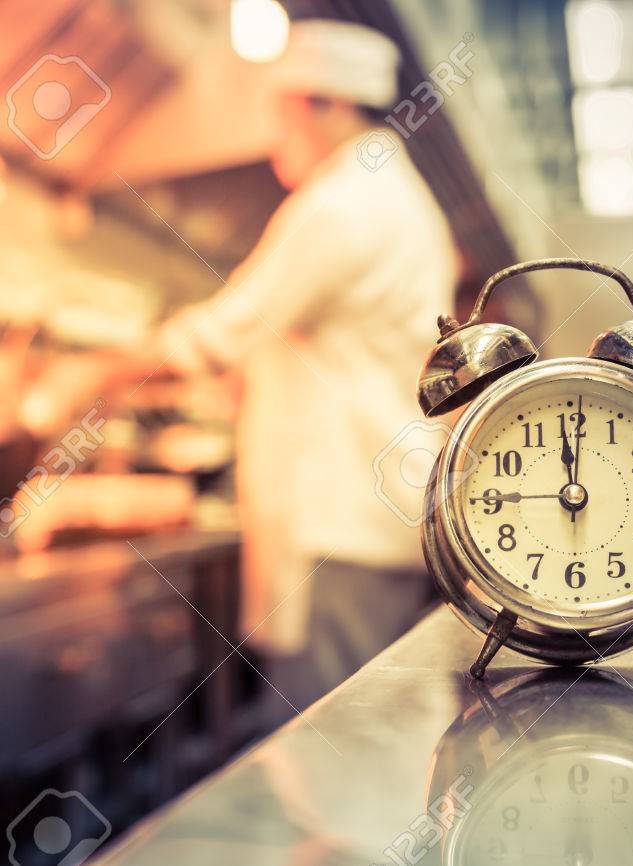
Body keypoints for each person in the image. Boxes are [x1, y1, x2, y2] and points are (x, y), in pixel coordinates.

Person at [145, 20, 458, 711]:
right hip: (368, 524)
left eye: (282, 114)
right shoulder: (396, 196)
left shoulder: (344, 203)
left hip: (340, 529)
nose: (274, 137)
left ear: (332, 106)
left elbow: (218, 333)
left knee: (333, 755)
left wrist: (82, 378)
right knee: (361, 750)